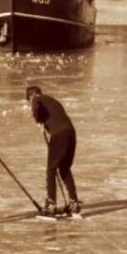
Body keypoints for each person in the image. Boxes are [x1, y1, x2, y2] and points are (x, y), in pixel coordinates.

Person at [26, 86, 81, 216]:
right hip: (71, 133)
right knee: (64, 168)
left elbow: (36, 103)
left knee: (51, 169)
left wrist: (38, 120)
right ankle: (74, 202)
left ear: (30, 97)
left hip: (59, 135)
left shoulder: (37, 98)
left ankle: (51, 204)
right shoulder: (52, 100)